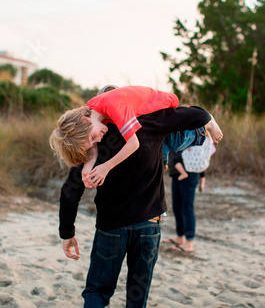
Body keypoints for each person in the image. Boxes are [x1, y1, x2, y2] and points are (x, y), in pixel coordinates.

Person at [58, 105, 212, 307]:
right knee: (137, 298)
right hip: (148, 224)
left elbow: (70, 191)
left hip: (111, 227)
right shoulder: (150, 123)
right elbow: (192, 119)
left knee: (97, 291)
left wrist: (67, 232)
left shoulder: (92, 139)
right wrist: (209, 126)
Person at [50, 85, 223, 188]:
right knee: (158, 150)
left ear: (84, 120)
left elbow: (134, 144)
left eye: (92, 138)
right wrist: (88, 168)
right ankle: (162, 159)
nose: (98, 140)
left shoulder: (112, 106)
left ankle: (207, 123)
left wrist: (106, 167)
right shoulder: (92, 111)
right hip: (141, 111)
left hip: (159, 105)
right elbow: (93, 145)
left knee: (173, 138)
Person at [164, 132, 215, 253]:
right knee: (177, 206)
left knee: (187, 208)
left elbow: (201, 156)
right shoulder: (182, 132)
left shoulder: (196, 133)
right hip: (177, 174)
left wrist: (202, 177)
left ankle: (189, 242)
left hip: (191, 173)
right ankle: (180, 237)